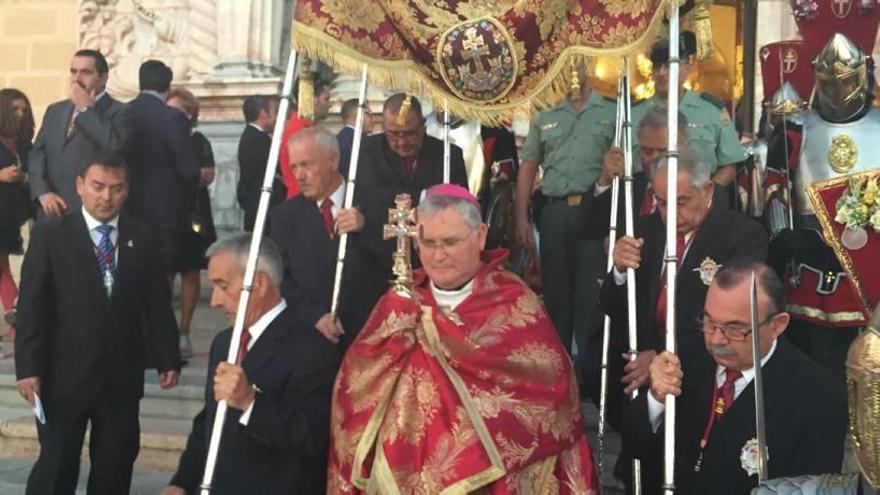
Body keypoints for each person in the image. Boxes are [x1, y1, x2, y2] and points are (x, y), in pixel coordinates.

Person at [328, 184, 598, 493]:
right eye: (428, 243)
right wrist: (393, 347)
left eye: (450, 242)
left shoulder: (515, 303)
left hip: (491, 481)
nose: (438, 255)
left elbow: (552, 389)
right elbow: (353, 386)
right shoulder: (397, 303)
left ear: (480, 235)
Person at [599, 149, 769, 490]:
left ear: (708, 192)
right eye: (662, 203)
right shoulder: (644, 231)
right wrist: (617, 270)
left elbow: (733, 321)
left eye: (682, 202)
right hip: (637, 361)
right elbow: (612, 309)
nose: (672, 214)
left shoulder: (742, 236)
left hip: (703, 365)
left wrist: (659, 356)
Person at [15, 150, 180, 494]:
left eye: (116, 188)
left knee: (115, 466)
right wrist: (28, 367)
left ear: (127, 189)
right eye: (98, 186)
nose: (107, 197)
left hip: (120, 378)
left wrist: (167, 356)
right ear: (80, 186)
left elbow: (157, 304)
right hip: (62, 378)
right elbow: (32, 308)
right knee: (57, 466)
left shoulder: (143, 240)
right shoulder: (51, 236)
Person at [622, 260, 847, 494]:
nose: (717, 340)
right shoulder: (686, 357)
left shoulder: (820, 398)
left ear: (778, 325)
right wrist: (656, 400)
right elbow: (634, 446)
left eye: (735, 329)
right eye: (709, 322)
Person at [163, 234, 339, 495]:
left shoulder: (312, 348)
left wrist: (250, 403)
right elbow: (209, 421)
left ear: (258, 283)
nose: (215, 301)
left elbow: (313, 435)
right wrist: (182, 481)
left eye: (223, 286)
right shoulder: (225, 343)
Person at [765, 33, 873, 383]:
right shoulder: (797, 130)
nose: (839, 92)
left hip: (871, 264)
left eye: (846, 83)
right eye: (831, 84)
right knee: (810, 367)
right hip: (809, 262)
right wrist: (784, 234)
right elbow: (776, 190)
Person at [515, 66, 616, 359]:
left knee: (590, 293)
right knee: (556, 294)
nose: (573, 71)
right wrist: (522, 218)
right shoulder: (545, 112)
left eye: (579, 64)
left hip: (594, 211)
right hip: (555, 212)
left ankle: (587, 372)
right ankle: (559, 367)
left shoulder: (610, 111)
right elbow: (529, 166)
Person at [268, 127, 390, 348]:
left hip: (371, 336)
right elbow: (280, 277)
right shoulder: (285, 216)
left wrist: (367, 227)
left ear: (333, 160)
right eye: (294, 167)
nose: (299, 175)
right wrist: (315, 316)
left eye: (307, 164)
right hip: (313, 338)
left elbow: (397, 261)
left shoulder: (375, 202)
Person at [28, 49, 134, 221]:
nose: (77, 78)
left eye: (86, 72)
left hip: (91, 215)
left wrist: (86, 110)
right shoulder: (55, 110)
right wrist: (42, 192)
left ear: (103, 78)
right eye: (73, 72)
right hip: (50, 213)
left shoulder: (121, 112)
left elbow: (114, 148)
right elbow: (37, 153)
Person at [124, 60, 200, 273]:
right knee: (160, 282)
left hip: (127, 211)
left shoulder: (122, 113)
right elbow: (188, 169)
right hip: (165, 213)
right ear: (168, 86)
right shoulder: (173, 118)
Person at [643, 31, 745, 188]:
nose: (662, 72)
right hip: (646, 201)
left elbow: (729, 165)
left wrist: (706, 197)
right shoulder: (636, 112)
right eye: (657, 66)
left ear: (687, 69)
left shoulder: (710, 111)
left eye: (669, 65)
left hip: (699, 202)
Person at [579, 105, 691, 240]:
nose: (654, 159)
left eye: (663, 152)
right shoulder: (629, 186)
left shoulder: (696, 193)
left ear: (684, 149)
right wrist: (604, 181)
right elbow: (586, 228)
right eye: (647, 151)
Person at [166, 87, 217, 359]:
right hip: (165, 214)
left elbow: (207, 174)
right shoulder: (160, 140)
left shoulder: (198, 141)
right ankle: (164, 330)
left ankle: (184, 331)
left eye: (181, 112)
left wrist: (186, 175)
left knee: (190, 272)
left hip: (194, 214)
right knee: (164, 273)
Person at [357, 93, 468, 207]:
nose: (402, 142)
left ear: (423, 126)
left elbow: (462, 202)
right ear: (384, 127)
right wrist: (424, 196)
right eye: (394, 134)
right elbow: (370, 195)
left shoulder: (448, 154)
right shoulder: (368, 149)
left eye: (409, 133)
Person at [0, 88, 34, 343]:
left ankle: (16, 317)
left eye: (24, 109)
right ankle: (16, 316)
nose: (21, 114)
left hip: (15, 218)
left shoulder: (25, 145)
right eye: (15, 109)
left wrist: (23, 177)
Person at [236, 95, 287, 231]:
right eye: (273, 113)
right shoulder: (258, 139)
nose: (276, 119)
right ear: (263, 114)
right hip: (263, 208)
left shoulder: (253, 135)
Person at [277, 76, 332, 198]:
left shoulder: (306, 128)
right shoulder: (298, 131)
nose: (330, 104)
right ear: (313, 99)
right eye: (326, 99)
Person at [337, 97, 372, 177]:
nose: (372, 118)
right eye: (368, 114)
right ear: (356, 116)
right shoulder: (358, 141)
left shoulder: (337, 139)